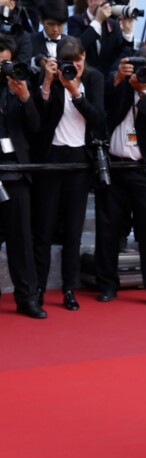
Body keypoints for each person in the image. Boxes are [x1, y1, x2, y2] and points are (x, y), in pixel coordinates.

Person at [94, 46, 146, 307]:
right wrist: (120, 80)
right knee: (108, 228)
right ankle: (106, 284)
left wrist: (143, 92)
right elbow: (101, 103)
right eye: (143, 71)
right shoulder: (120, 83)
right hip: (116, 168)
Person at [33, 36, 105, 311]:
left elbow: (98, 118)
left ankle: (68, 289)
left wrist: (75, 92)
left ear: (84, 57)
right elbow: (38, 122)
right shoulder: (50, 77)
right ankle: (39, 288)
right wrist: (49, 83)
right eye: (67, 63)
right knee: (44, 228)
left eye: (76, 62)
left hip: (79, 160)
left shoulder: (94, 79)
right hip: (51, 158)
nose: (72, 67)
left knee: (74, 231)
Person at [0, 33, 46, 318]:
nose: (4, 68)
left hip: (16, 173)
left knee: (21, 241)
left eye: (7, 62)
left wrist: (27, 98)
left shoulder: (18, 85)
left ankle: (27, 297)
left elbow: (36, 128)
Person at [67, 0, 135, 77]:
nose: (108, 7)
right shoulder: (76, 21)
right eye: (104, 4)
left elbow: (123, 54)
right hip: (84, 78)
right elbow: (76, 49)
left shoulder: (113, 25)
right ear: (91, 1)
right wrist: (98, 21)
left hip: (107, 80)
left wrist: (127, 32)